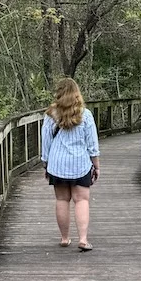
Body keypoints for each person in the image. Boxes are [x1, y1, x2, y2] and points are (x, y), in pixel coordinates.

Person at [40, 78, 100, 252]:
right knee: (81, 200)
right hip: (80, 163)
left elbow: (46, 143)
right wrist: (96, 166)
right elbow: (92, 145)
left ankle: (65, 238)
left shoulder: (50, 115)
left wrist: (46, 164)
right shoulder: (85, 114)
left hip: (57, 164)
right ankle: (83, 239)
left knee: (61, 200)